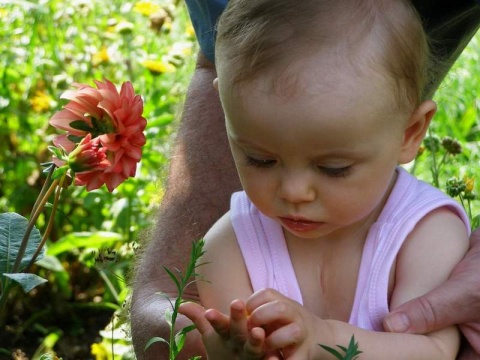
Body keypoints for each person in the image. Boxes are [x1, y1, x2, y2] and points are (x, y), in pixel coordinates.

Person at [130, 0, 480, 359]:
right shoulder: (229, 246)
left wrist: (324, 341)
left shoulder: (425, 233)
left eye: (334, 168)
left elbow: (434, 352)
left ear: (410, 132)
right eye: (261, 159)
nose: (293, 192)